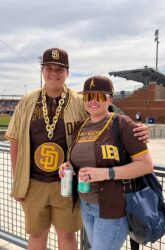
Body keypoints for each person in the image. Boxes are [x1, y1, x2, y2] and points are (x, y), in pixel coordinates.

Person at [5, 48, 150, 250]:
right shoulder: (28, 101)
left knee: (66, 235)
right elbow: (15, 141)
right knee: (36, 234)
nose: (54, 73)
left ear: (67, 72)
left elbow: (106, 115)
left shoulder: (78, 100)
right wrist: (17, 181)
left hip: (67, 183)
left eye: (60, 69)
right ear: (42, 70)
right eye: (49, 68)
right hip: (33, 183)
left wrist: (138, 128)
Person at [59, 75, 154, 250]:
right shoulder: (81, 126)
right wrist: (68, 167)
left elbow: (146, 165)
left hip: (112, 207)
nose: (93, 101)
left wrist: (106, 173)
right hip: (86, 203)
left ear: (110, 99)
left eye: (100, 96)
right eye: (88, 96)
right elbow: (79, 161)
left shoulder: (122, 123)